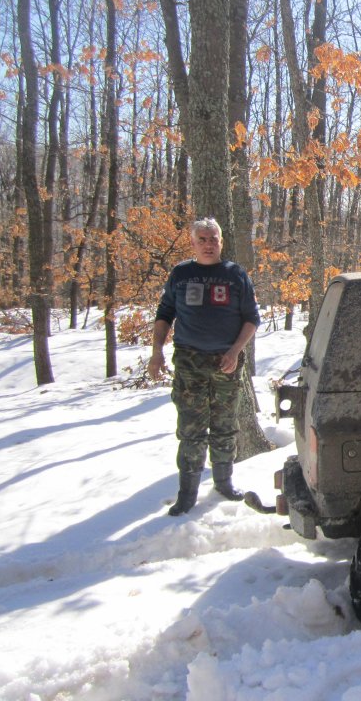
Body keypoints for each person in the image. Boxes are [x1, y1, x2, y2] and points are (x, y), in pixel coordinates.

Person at [148, 218, 261, 516]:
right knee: (191, 428)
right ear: (193, 243)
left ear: (221, 241)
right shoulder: (181, 274)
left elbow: (252, 318)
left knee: (225, 424)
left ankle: (224, 482)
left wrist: (235, 351)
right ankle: (187, 493)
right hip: (189, 362)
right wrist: (156, 351)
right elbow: (164, 313)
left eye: (213, 238)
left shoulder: (235, 275)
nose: (208, 244)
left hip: (227, 361)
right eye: (202, 239)